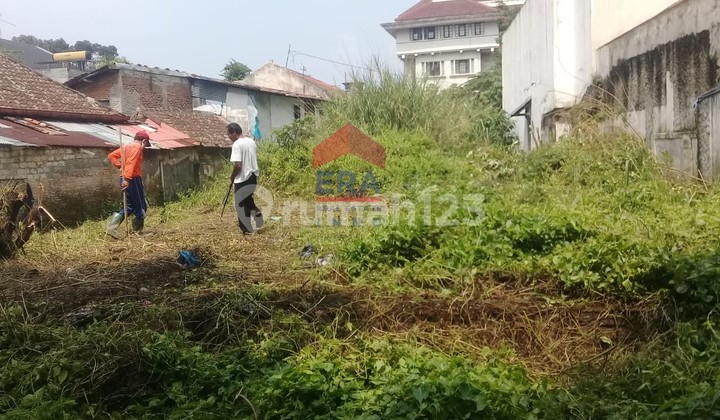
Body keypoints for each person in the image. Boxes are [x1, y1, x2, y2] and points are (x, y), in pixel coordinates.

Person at [105, 130, 151, 239]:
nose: (145, 147)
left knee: (129, 206)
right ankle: (138, 232)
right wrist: (127, 179)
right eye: (146, 144)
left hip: (125, 177)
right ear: (144, 140)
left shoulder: (127, 147)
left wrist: (119, 165)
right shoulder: (137, 147)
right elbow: (131, 162)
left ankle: (111, 228)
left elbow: (111, 156)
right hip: (132, 179)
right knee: (140, 205)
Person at [227, 123, 263, 234]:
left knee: (240, 204)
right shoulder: (251, 141)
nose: (228, 137)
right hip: (253, 176)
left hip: (242, 178)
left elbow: (238, 165)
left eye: (229, 134)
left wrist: (232, 176)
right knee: (247, 199)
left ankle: (246, 229)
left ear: (234, 132)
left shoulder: (237, 144)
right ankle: (256, 212)